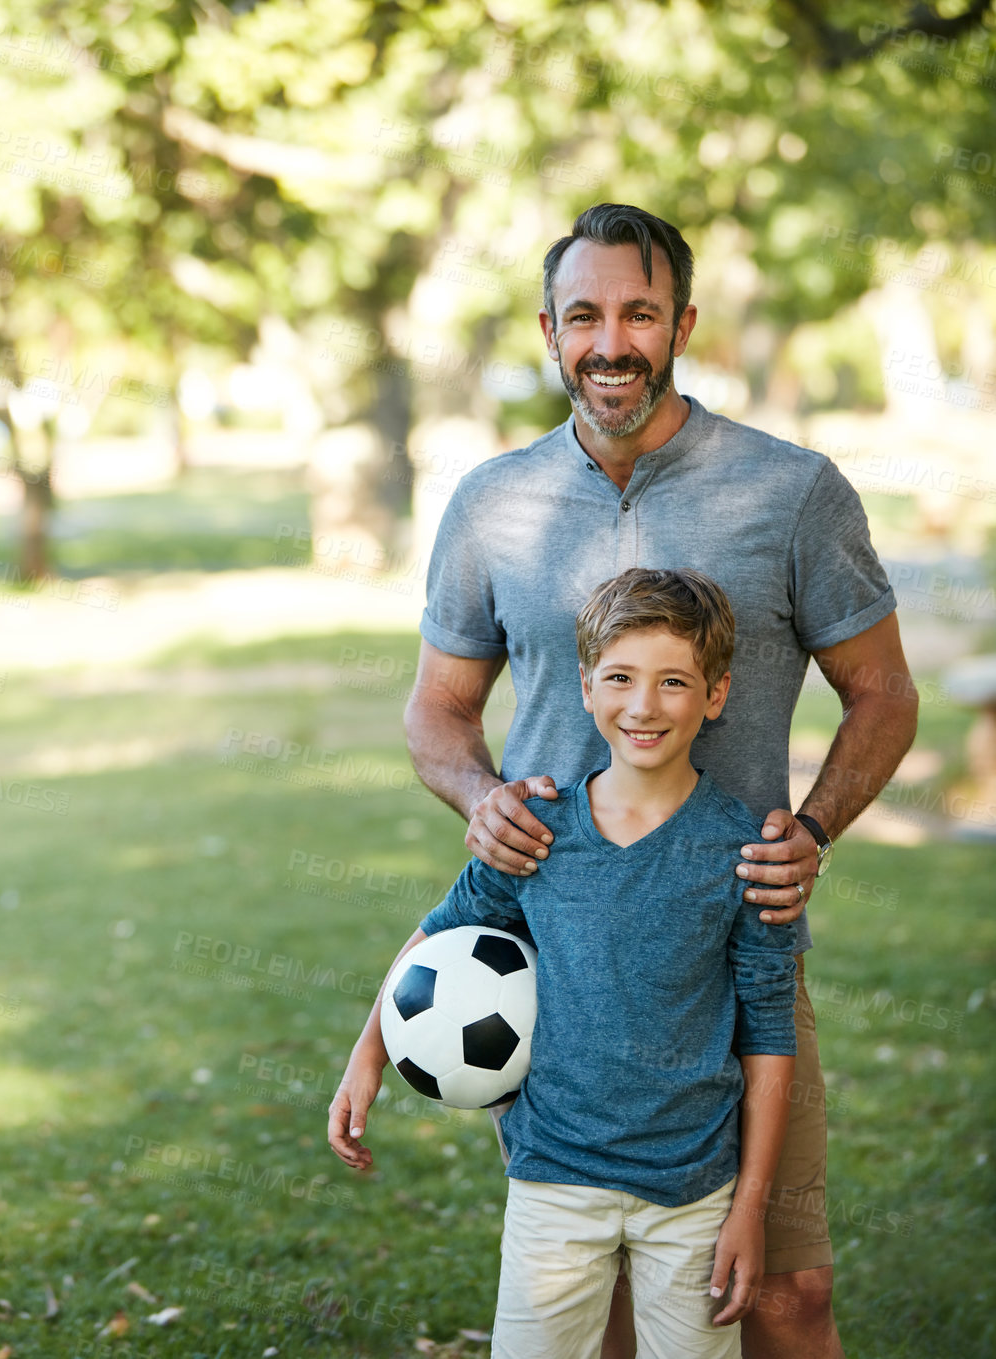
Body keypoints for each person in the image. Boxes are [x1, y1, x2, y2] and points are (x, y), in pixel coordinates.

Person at [399, 203, 919, 1358]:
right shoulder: (492, 502)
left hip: (725, 946)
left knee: (785, 1296)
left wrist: (814, 831)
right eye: (583, 316)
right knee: (618, 1310)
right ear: (548, 330)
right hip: (561, 969)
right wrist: (478, 794)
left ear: (681, 322)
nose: (610, 342)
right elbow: (436, 713)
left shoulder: (791, 491)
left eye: (638, 312)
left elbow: (883, 695)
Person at [330, 567, 798, 1358]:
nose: (642, 705)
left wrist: (748, 1204)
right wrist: (366, 1053)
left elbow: (769, 1031)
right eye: (619, 677)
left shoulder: (746, 852)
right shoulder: (536, 831)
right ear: (585, 687)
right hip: (552, 1177)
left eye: (673, 681)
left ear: (715, 694)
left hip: (691, 1191)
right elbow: (439, 935)